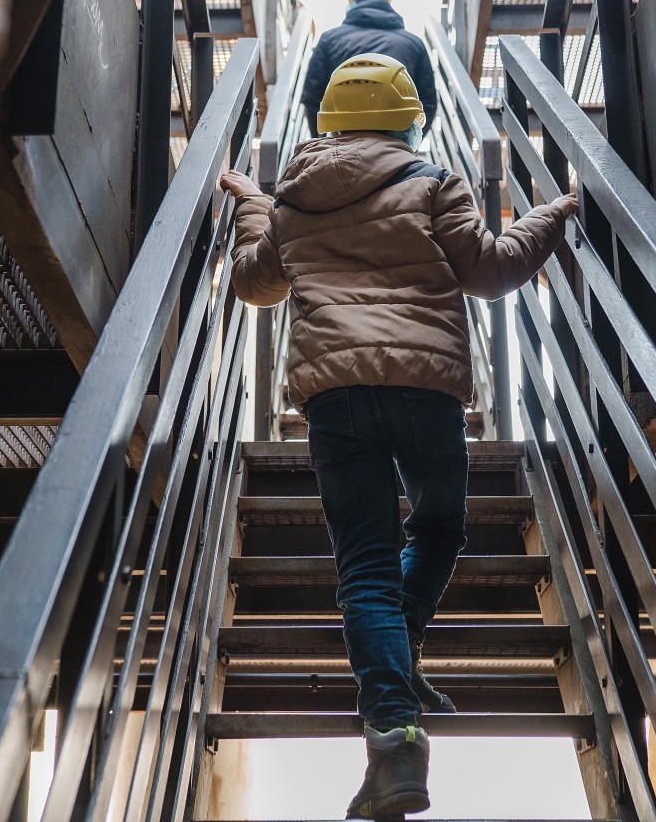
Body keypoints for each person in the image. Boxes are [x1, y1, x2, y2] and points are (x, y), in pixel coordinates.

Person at [220, 53, 578, 818]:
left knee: (367, 569)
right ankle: (398, 659)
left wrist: (254, 203)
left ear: (327, 124)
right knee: (442, 529)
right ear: (409, 119)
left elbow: (256, 286)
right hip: (426, 392)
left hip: (336, 400)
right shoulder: (434, 181)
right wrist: (555, 211)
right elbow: (490, 271)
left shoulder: (292, 201)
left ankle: (393, 729)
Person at [301, 0, 438, 138]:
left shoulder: (329, 40)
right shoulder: (413, 43)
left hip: (343, 138)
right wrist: (412, 142)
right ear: (387, 2)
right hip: (395, 141)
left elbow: (312, 96)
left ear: (352, 2)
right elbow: (427, 102)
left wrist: (321, 140)